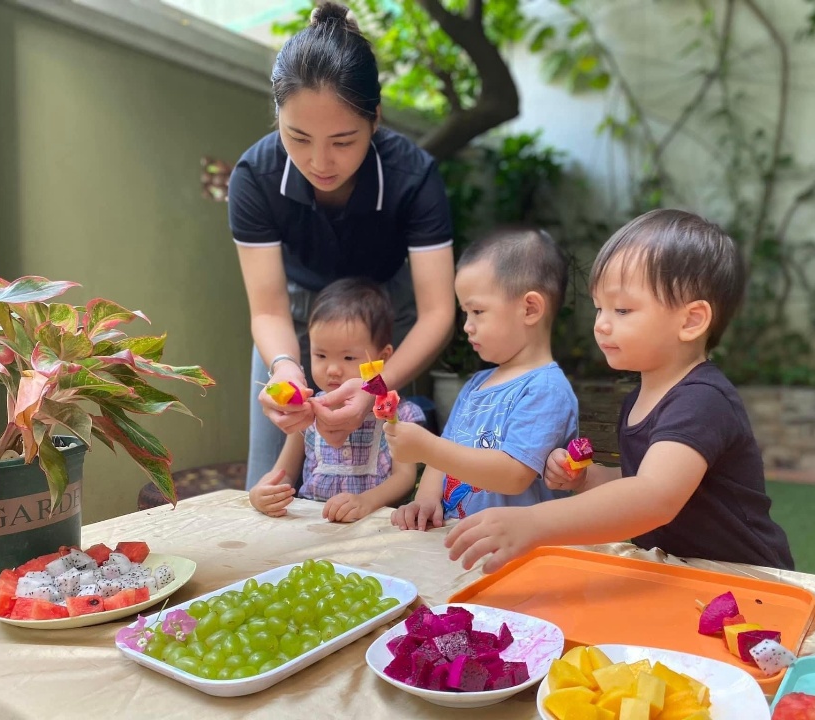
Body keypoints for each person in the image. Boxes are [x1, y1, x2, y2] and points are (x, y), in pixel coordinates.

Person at [445, 209, 795, 573]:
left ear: (691, 321)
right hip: (682, 573)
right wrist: (587, 477)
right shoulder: (638, 398)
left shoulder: (702, 400)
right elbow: (636, 479)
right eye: (600, 308)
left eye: (623, 310)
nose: (601, 324)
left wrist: (535, 522)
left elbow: (653, 495)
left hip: (746, 578)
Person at [228, 2, 455, 491]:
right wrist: (285, 370)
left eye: (343, 141)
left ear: (375, 120)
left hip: (384, 323)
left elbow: (438, 311)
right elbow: (268, 311)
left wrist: (376, 385)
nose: (320, 161)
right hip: (294, 322)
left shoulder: (413, 176)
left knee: (386, 479)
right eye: (298, 138)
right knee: (269, 484)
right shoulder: (255, 177)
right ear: (277, 117)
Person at [385, 227, 579, 530]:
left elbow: (513, 476)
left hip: (516, 548)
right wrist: (426, 498)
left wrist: (427, 448)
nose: (467, 326)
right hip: (458, 539)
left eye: (477, 311)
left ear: (530, 309)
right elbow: (446, 451)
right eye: (465, 313)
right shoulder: (476, 385)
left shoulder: (545, 390)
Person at [249, 278, 426, 522]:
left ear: (382, 357)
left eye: (348, 358)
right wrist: (261, 493)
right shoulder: (307, 412)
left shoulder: (397, 413)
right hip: (315, 525)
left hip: (375, 525)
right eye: (320, 355)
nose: (332, 369)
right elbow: (282, 473)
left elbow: (404, 477)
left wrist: (367, 502)